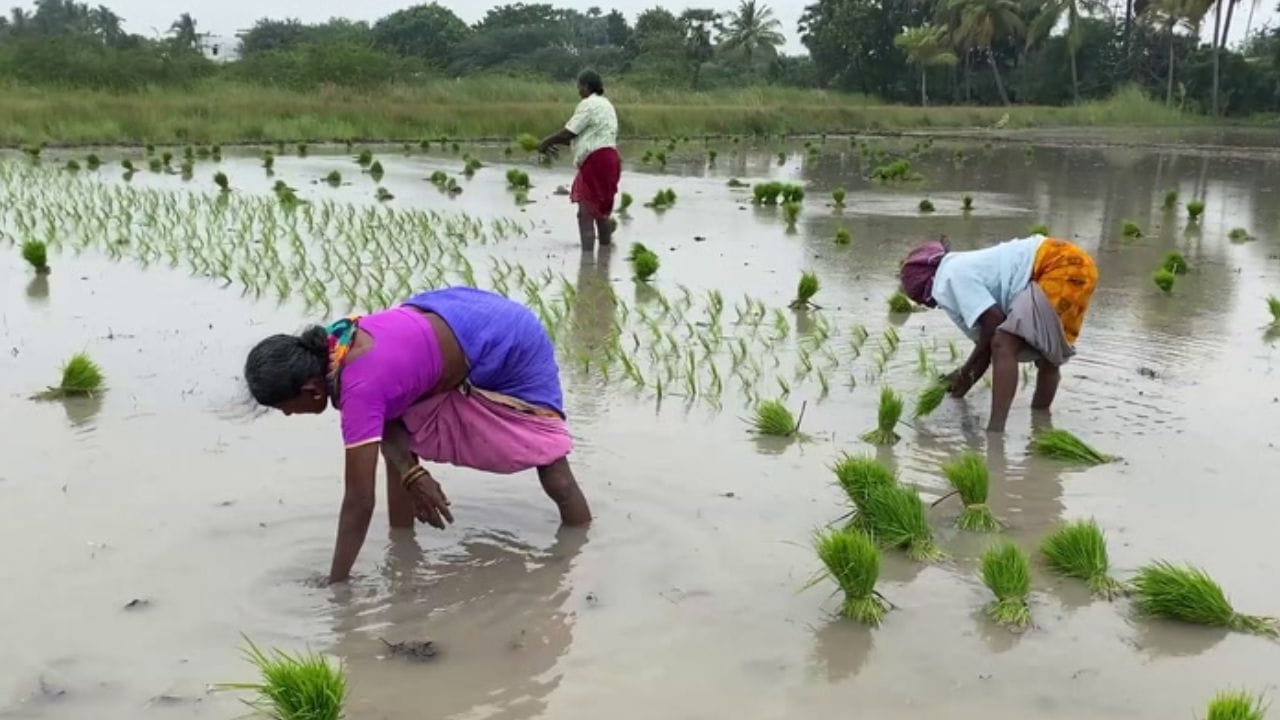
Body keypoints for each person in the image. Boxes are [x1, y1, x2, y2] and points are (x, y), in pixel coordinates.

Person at [243, 287, 592, 583]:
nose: (289, 414)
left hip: (510, 341)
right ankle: (403, 543)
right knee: (396, 435)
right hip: (458, 313)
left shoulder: (360, 387)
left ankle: (581, 548)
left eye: (286, 407)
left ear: (311, 389)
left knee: (551, 464)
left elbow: (359, 501)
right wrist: (412, 473)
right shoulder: (339, 343)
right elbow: (387, 421)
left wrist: (336, 583)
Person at [899, 234, 1098, 433]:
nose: (928, 305)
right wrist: (959, 388)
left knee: (1004, 342)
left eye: (922, 298)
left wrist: (965, 370)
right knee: (1047, 355)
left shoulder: (949, 277)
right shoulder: (960, 266)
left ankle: (995, 432)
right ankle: (1041, 421)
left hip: (1061, 266)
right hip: (1075, 264)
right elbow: (986, 344)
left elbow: (994, 324)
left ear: (926, 285)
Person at [538, 69, 621, 253]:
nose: (578, 91)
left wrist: (545, 142)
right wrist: (555, 142)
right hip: (611, 159)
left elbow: (569, 132)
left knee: (585, 213)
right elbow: (579, 138)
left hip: (596, 161)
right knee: (602, 212)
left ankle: (587, 264)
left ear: (586, 86)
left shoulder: (588, 104)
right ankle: (604, 260)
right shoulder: (606, 105)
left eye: (579, 86)